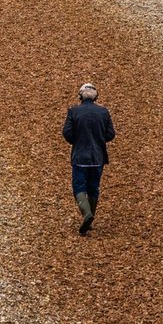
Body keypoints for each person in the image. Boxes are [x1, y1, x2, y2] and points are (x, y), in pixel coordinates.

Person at [61, 82, 116, 235]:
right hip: (97, 157)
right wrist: (99, 140)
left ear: (80, 96)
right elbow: (111, 134)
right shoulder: (104, 112)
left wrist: (77, 141)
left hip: (80, 157)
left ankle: (86, 215)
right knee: (94, 187)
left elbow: (67, 132)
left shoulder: (74, 111)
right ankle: (90, 218)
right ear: (95, 96)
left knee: (79, 187)